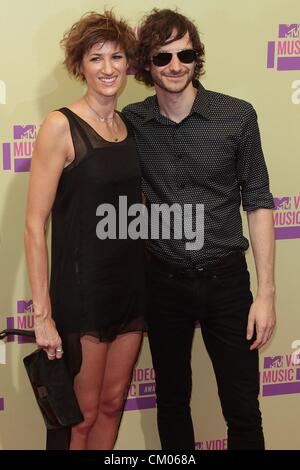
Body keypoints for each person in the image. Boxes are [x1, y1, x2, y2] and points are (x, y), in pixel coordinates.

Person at [123, 8, 276, 450]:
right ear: (146, 65)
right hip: (162, 282)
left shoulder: (237, 116)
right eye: (162, 56)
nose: (175, 65)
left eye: (185, 54)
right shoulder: (131, 123)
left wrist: (266, 294)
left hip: (228, 282)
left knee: (244, 408)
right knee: (171, 403)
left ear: (197, 57)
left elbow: (260, 200)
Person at [24, 11, 146, 450]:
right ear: (80, 65)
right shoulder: (60, 126)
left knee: (112, 404)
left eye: (117, 57)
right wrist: (43, 316)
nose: (109, 68)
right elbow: (34, 225)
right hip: (82, 292)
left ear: (130, 64)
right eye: (97, 58)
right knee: (80, 415)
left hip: (131, 289)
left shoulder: (129, 126)